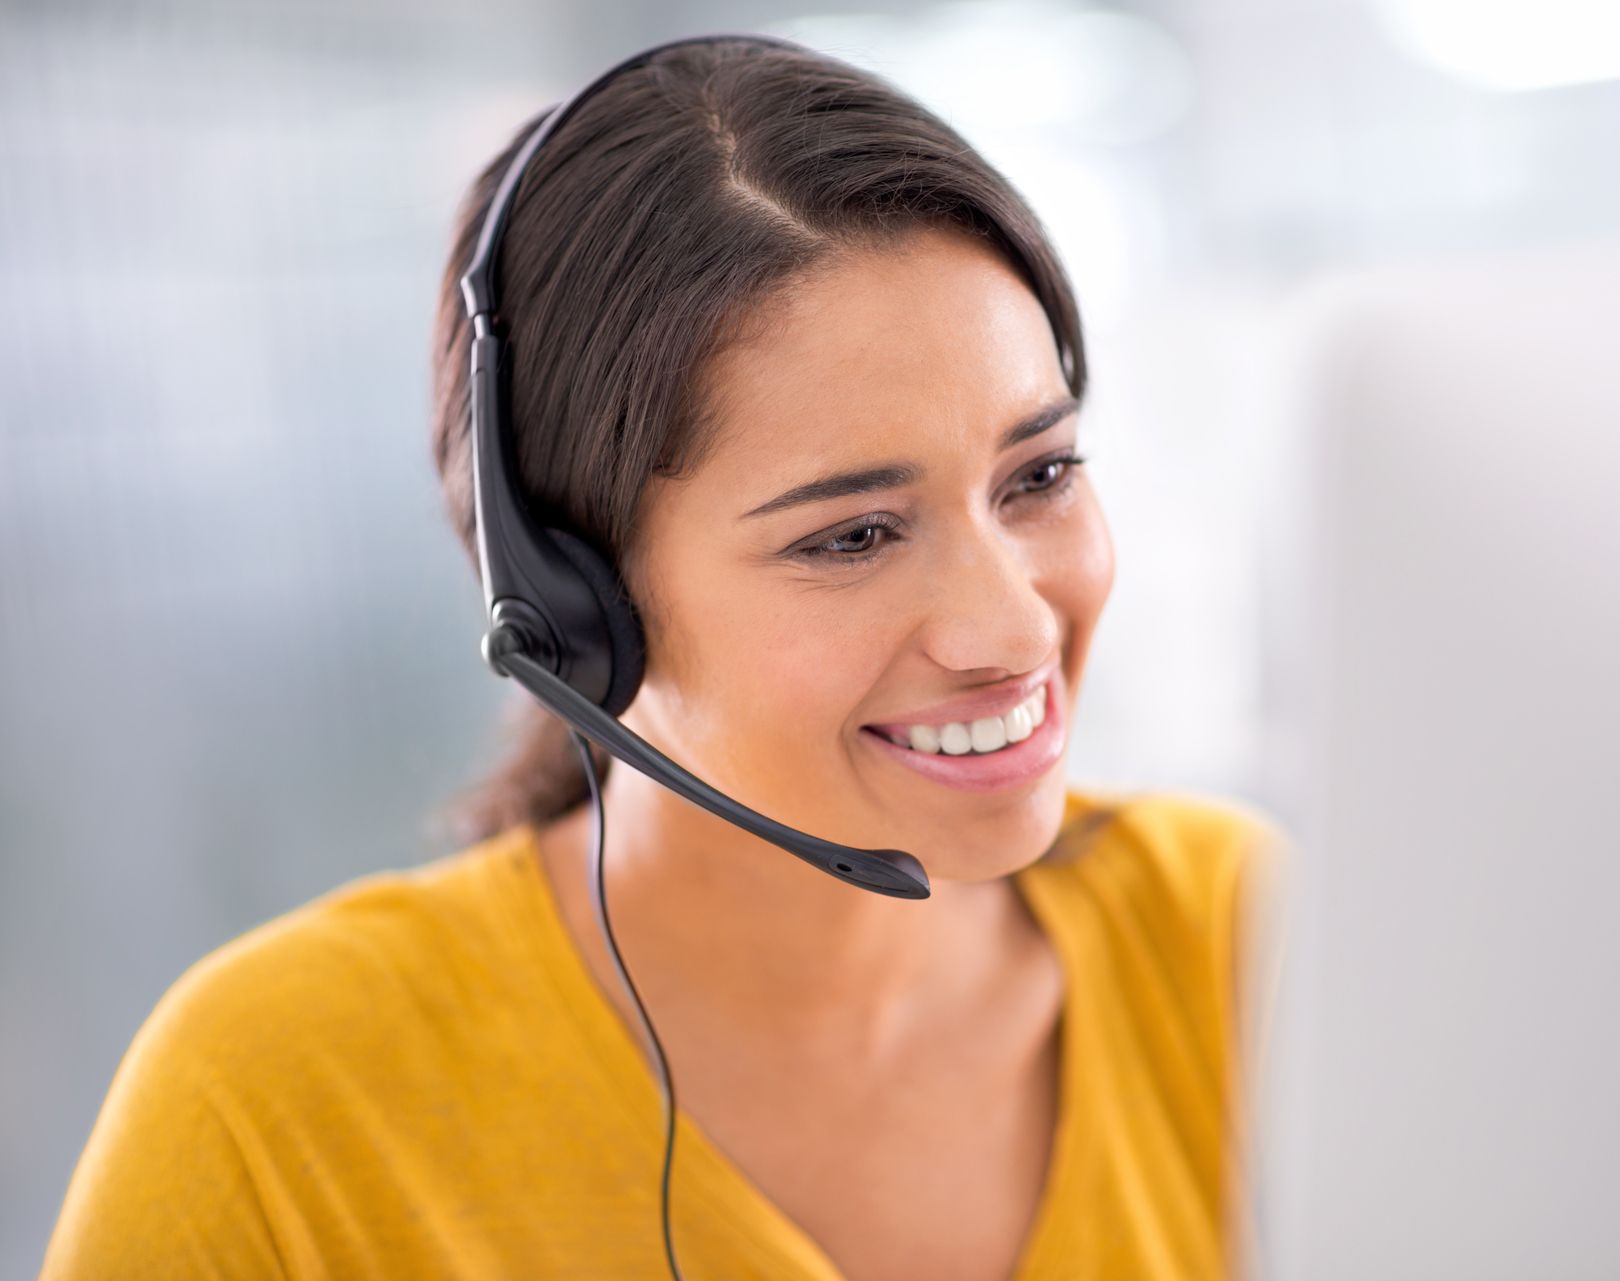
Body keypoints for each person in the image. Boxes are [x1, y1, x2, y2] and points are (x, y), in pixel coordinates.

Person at [40, 35, 1288, 1281]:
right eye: (852, 536)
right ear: (575, 603)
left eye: (1042, 475)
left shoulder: (1251, 940)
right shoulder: (272, 1110)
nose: (1015, 628)